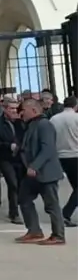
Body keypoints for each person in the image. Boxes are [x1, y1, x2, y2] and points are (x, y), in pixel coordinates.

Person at [15, 98, 66, 245]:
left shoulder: (44, 125)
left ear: (34, 110)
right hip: (31, 173)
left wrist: (34, 166)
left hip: (45, 172)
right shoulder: (30, 125)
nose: (21, 114)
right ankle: (34, 231)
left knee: (51, 205)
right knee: (24, 199)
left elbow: (48, 149)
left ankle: (58, 235)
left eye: (23, 110)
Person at [0, 100, 25, 224]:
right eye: (11, 108)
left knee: (19, 185)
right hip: (5, 158)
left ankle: (15, 208)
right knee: (12, 184)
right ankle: (14, 213)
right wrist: (8, 146)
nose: (14, 111)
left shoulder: (21, 122)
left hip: (20, 158)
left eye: (16, 108)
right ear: (5, 109)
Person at [51, 96, 78, 227]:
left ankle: (65, 214)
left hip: (60, 156)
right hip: (75, 154)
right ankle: (65, 214)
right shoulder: (76, 118)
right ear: (75, 105)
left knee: (76, 187)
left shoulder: (54, 119)